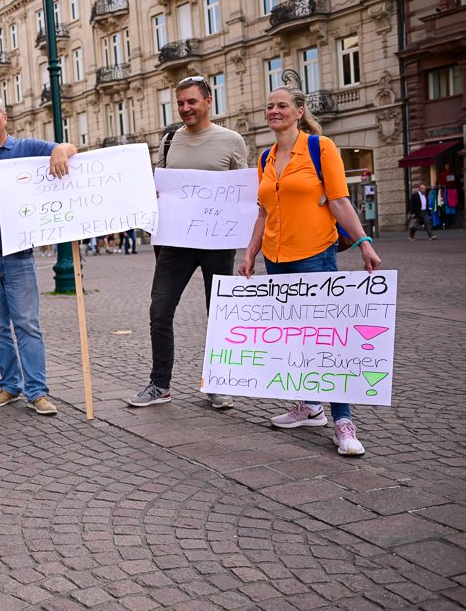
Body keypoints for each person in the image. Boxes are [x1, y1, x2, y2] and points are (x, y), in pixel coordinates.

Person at [239, 86, 382, 456]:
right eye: (269, 105)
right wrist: (251, 251)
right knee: (293, 337)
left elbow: (338, 201)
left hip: (315, 256)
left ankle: (343, 422)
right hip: (276, 258)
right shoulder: (265, 157)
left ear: (299, 111)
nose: (274, 111)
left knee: (327, 341)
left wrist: (363, 242)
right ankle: (309, 406)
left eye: (282, 105)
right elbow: (263, 211)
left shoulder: (321, 148)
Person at [0, 93, 77, 416]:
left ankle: (37, 391)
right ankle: (10, 385)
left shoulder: (25, 149)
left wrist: (61, 151)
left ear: (4, 117)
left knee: (27, 325)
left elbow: (67, 149)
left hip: (17, 254)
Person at [128, 76, 248, 410]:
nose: (185, 109)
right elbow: (160, 186)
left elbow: (242, 193)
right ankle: (160, 384)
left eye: (191, 102)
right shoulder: (169, 142)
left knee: (220, 314)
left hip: (218, 243)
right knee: (160, 310)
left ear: (209, 101)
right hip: (176, 244)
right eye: (180, 103)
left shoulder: (232, 140)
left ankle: (218, 384)